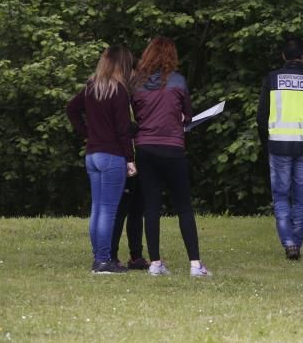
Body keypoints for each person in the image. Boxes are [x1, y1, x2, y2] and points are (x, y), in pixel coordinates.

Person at [131, 36, 211, 277]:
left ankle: (155, 263)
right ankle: (195, 264)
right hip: (173, 148)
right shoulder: (178, 81)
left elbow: (134, 115)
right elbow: (187, 114)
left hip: (145, 148)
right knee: (184, 206)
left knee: (152, 206)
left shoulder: (136, 83)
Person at [256, 37, 303, 260]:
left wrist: (267, 143)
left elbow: (261, 117)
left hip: (278, 145)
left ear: (283, 56)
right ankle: (297, 243)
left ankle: (288, 243)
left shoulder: (273, 79)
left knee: (281, 196)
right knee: (300, 198)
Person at [66, 45, 138, 274]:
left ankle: (99, 258)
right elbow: (123, 129)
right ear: (122, 66)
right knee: (108, 210)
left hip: (92, 155)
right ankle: (103, 261)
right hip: (112, 156)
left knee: (97, 208)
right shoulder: (118, 91)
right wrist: (130, 158)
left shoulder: (91, 87)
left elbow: (71, 109)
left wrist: (87, 133)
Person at [109, 164, 149, 270]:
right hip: (125, 164)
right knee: (120, 213)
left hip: (141, 163)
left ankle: (136, 257)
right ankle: (111, 256)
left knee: (137, 211)